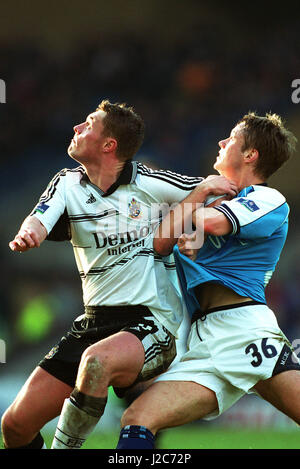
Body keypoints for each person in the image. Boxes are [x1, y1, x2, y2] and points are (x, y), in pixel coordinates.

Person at [1, 100, 236, 450]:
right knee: (15, 426)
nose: (77, 127)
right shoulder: (66, 184)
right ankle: (145, 418)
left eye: (88, 124)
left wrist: (196, 228)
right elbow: (40, 215)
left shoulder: (151, 182)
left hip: (151, 319)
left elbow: (216, 190)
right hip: (94, 321)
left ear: (109, 145)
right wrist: (29, 232)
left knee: (98, 362)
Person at [116, 111, 300, 450]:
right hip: (205, 338)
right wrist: (191, 206)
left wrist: (189, 210)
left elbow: (213, 224)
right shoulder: (212, 197)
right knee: (137, 417)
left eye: (230, 138)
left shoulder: (267, 199)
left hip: (246, 329)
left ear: (250, 155)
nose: (221, 142)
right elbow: (161, 241)